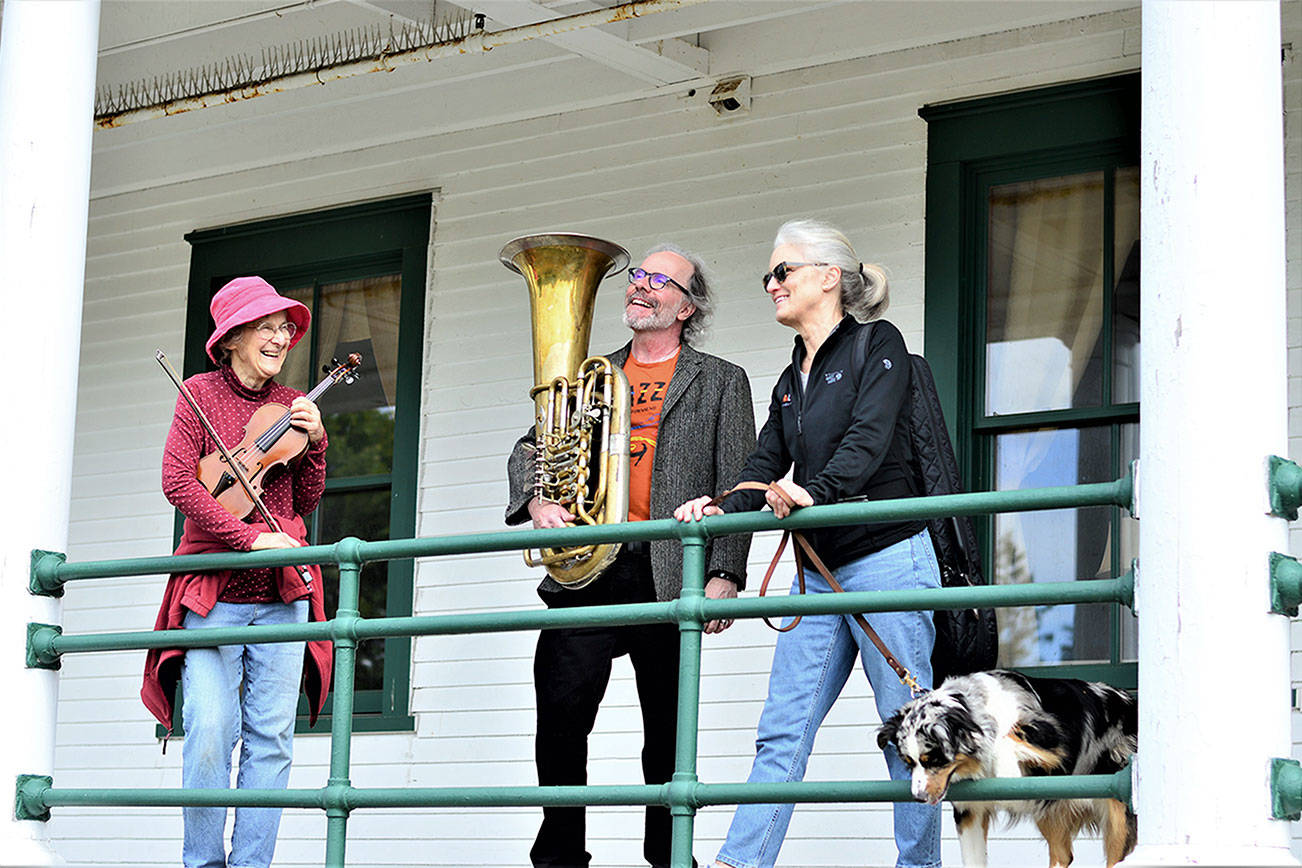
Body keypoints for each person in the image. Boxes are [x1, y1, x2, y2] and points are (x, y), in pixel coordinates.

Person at [675, 219, 942, 868]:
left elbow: (869, 441)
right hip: (819, 574)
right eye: (769, 274)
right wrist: (719, 506)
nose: (772, 283)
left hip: (889, 560)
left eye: (783, 270)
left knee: (908, 739)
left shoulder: (878, 344)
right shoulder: (792, 377)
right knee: (781, 733)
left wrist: (814, 491)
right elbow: (760, 463)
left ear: (829, 277)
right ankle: (739, 865)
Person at [506, 244, 756, 868]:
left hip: (670, 570)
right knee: (561, 718)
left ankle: (666, 856)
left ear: (687, 305)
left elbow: (739, 483)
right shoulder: (587, 373)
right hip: (588, 565)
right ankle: (560, 855)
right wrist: (538, 498)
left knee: (666, 735)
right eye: (637, 276)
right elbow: (529, 447)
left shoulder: (721, 380)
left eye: (658, 281)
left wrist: (725, 571)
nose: (639, 287)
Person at [141, 276, 334, 868]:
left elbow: (302, 498)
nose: (280, 337)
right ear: (231, 338)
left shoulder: (292, 403)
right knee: (208, 733)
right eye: (266, 327)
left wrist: (318, 443)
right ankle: (203, 864)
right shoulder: (197, 393)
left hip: (282, 593)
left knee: (271, 743)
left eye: (284, 328)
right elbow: (178, 483)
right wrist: (248, 539)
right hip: (215, 593)